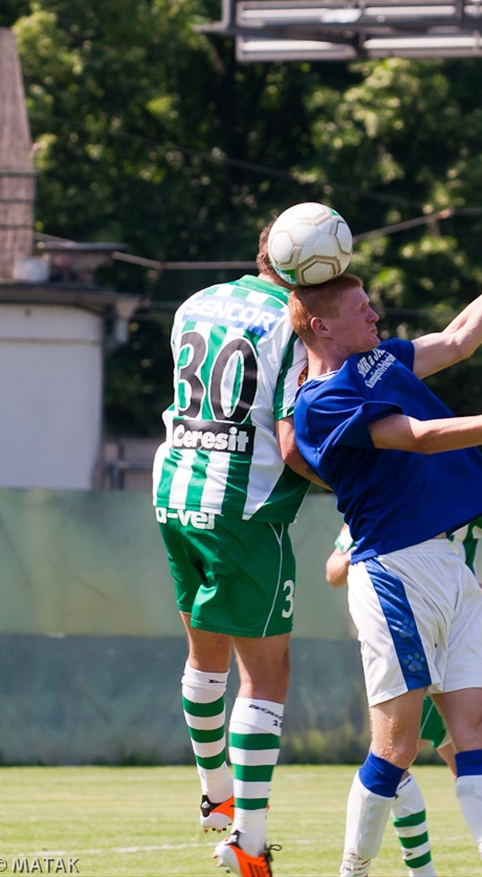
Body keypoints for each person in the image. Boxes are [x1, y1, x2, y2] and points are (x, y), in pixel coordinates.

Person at [288, 212, 482, 877]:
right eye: (361, 310)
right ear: (322, 325)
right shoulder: (319, 401)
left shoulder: (379, 360)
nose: (375, 316)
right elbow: (414, 434)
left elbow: (460, 337)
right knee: (399, 744)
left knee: (477, 729)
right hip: (390, 572)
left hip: (444, 563)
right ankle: (352, 868)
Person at [152, 216, 326, 877]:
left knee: (206, 656)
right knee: (266, 674)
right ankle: (250, 847)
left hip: (174, 492)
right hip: (241, 508)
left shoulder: (195, 302)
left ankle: (216, 795)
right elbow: (290, 438)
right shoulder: (292, 320)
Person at [326, 506, 482, 877]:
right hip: (401, 627)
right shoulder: (378, 496)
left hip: (451, 635)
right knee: (399, 755)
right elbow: (332, 571)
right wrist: (374, 539)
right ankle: (402, 870)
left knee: (472, 752)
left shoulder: (465, 496)